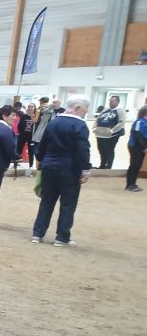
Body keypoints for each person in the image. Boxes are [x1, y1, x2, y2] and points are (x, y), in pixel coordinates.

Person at [31, 95, 93, 247]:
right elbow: (83, 149)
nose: (86, 111)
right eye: (85, 108)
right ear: (78, 108)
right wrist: (85, 169)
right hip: (69, 169)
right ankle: (62, 237)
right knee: (68, 204)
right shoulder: (80, 125)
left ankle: (37, 234)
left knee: (46, 202)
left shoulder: (54, 122)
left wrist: (42, 161)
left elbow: (42, 145)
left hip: (49, 167)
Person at [93, 95, 125, 170]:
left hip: (111, 135)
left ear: (117, 102)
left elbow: (121, 122)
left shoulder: (120, 110)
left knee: (109, 150)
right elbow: (98, 119)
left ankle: (108, 166)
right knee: (101, 150)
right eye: (110, 101)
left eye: (112, 101)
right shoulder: (105, 110)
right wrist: (94, 128)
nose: (110, 102)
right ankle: (102, 165)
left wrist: (112, 131)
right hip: (100, 134)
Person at [126, 105, 147, 192]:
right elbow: (138, 136)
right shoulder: (139, 122)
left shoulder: (145, 122)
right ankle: (129, 185)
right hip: (135, 146)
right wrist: (144, 147)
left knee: (138, 166)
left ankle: (133, 183)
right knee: (134, 165)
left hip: (141, 147)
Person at [17, 103, 36, 172]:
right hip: (23, 135)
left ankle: (31, 165)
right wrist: (21, 132)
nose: (30, 108)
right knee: (18, 149)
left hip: (31, 137)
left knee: (31, 151)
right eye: (29, 106)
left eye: (32, 107)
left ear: (34, 108)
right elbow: (19, 126)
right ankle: (16, 163)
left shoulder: (36, 117)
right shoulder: (24, 116)